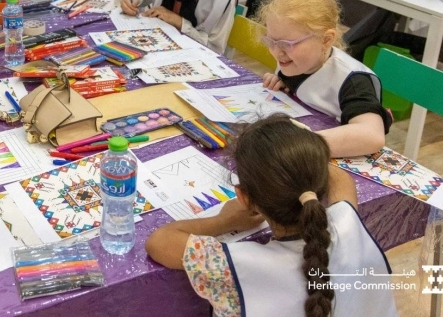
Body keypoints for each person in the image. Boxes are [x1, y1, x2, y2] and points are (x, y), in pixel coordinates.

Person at [145, 115, 397, 317]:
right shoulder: (347, 224)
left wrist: (226, 221)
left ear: (244, 198)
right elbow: (340, 178)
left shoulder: (229, 266)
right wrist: (302, 147)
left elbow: (159, 241)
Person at [255, 0, 389, 157]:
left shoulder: (354, 81)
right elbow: (307, 87)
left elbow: (372, 137)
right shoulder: (295, 60)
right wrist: (282, 80)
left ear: (326, 39)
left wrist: (302, 143)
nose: (277, 52)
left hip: (334, 155)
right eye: (271, 41)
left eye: (287, 44)